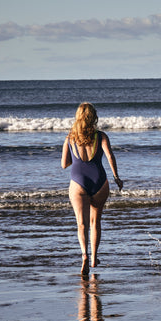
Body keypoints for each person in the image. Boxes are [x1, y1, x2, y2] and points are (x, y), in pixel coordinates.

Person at [61, 103, 123, 276]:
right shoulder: (101, 136)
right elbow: (110, 156)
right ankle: (95, 257)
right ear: (93, 117)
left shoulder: (70, 138)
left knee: (81, 223)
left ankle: (84, 256)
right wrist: (117, 177)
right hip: (100, 182)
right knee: (96, 222)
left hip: (78, 182)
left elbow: (64, 164)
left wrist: (77, 161)